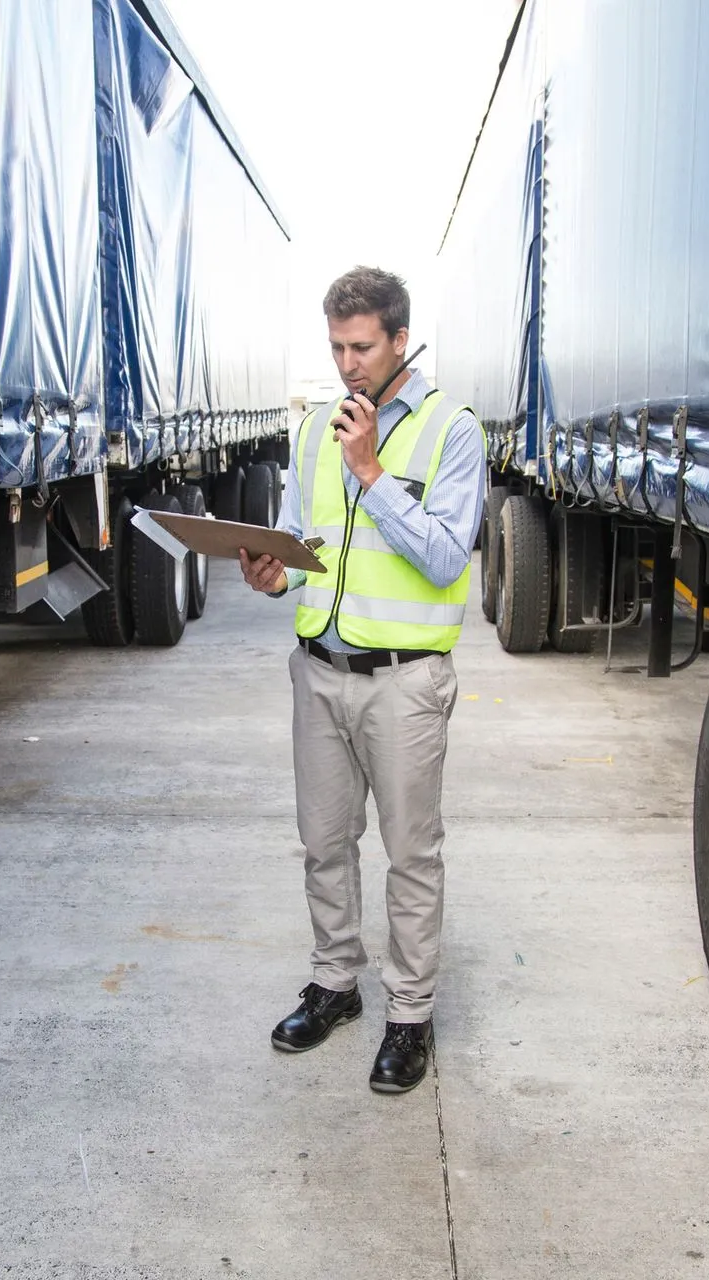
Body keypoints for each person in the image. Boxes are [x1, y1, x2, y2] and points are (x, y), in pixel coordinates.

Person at [238, 266, 486, 1094]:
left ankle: (409, 1015)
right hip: (319, 671)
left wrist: (372, 472)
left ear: (400, 340)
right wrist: (276, 573)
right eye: (337, 347)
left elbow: (446, 557)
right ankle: (335, 983)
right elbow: (303, 542)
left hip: (404, 682)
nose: (347, 364)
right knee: (324, 844)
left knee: (410, 855)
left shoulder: (452, 431)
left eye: (362, 347)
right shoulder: (316, 429)